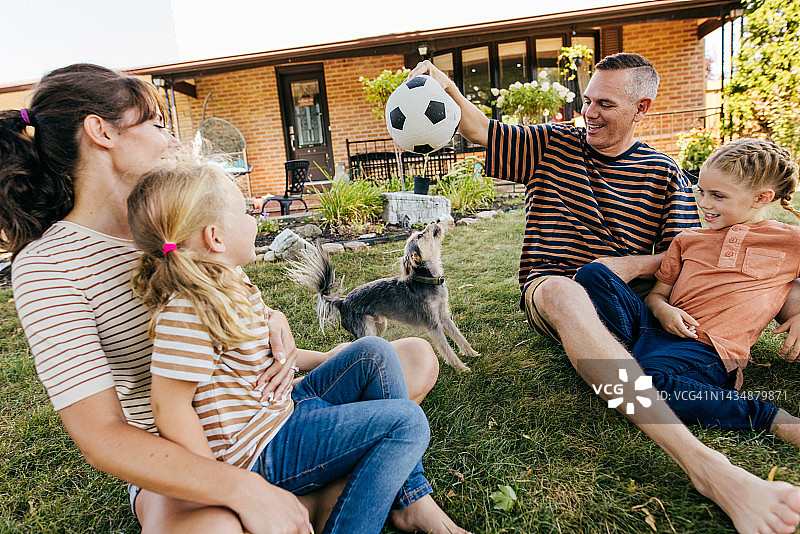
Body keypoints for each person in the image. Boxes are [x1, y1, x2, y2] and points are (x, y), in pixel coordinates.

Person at [2, 63, 443, 534]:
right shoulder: (50, 265)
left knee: (414, 357)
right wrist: (238, 488)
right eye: (157, 124)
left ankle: (326, 489)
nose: (172, 140)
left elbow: (228, 318)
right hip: (185, 453)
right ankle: (316, 489)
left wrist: (283, 333)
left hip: (266, 407)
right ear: (100, 131)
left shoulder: (182, 216)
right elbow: (101, 436)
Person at [408, 53, 800, 532]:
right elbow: (480, 129)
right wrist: (444, 83)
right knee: (569, 290)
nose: (589, 113)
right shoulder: (550, 144)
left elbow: (694, 253)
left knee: (602, 284)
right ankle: (709, 469)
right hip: (555, 286)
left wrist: (633, 265)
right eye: (587, 100)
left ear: (642, 107)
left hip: (627, 306)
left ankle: (650, 377)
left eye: (605, 104)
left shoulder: (666, 174)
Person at [125, 159, 468, 534]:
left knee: (375, 352)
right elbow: (169, 406)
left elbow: (264, 354)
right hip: (260, 450)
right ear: (215, 238)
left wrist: (325, 358)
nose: (254, 214)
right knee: (407, 423)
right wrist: (222, 484)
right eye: (243, 210)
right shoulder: (186, 311)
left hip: (284, 409)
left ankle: (409, 501)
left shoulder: (231, 279)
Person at [574, 138, 800, 443]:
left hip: (707, 348)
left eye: (718, 196)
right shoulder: (688, 239)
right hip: (650, 328)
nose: (705, 204)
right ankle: (621, 353)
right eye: (702, 192)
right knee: (594, 273)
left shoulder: (788, 241)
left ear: (761, 199)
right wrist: (662, 310)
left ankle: (768, 417)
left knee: (640, 385)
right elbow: (657, 295)